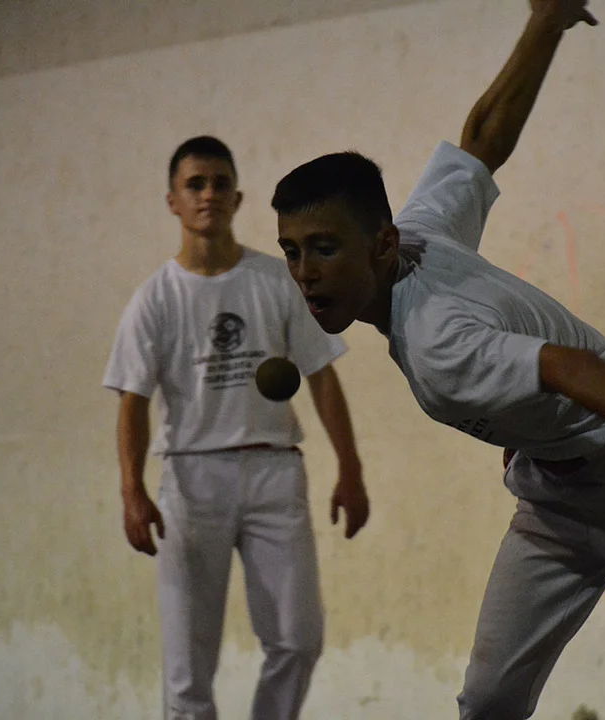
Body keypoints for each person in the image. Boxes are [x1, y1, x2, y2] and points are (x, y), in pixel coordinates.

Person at [267, 1, 605, 718]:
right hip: (555, 493)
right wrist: (545, 23)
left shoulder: (437, 345)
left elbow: (569, 368)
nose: (306, 273)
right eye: (292, 252)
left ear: (380, 243)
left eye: (324, 248)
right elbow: (482, 141)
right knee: (491, 697)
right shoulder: (422, 236)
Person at [103, 135, 369, 720]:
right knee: (187, 670)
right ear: (172, 201)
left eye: (220, 183)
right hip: (191, 481)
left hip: (275, 472)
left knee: (299, 641)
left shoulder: (277, 281)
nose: (209, 194)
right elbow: (132, 401)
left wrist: (350, 469)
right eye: (195, 184)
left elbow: (322, 376)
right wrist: (131, 490)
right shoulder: (154, 299)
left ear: (238, 197)